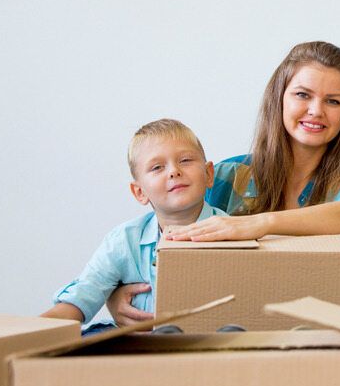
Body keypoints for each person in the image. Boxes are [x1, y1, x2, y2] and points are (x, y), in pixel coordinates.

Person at [108, 41, 340, 325]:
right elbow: (153, 238)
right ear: (279, 97)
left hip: (320, 334)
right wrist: (118, 295)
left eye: (333, 101)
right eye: (303, 95)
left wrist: (258, 224)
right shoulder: (226, 175)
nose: (316, 110)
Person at [42, 119, 226, 329]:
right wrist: (23, 333)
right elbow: (83, 294)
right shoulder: (124, 240)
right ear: (140, 192)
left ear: (209, 174)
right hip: (140, 347)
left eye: (185, 160)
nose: (174, 171)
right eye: (157, 167)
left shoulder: (232, 234)